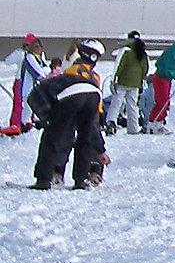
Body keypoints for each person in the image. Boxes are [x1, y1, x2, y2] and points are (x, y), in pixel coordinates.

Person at [30, 40, 106, 191]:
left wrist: (48, 119)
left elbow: (34, 97)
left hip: (71, 95)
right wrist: (101, 149)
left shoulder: (57, 79)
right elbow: (93, 127)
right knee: (85, 137)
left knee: (51, 138)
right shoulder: (93, 76)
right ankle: (81, 180)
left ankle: (43, 180)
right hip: (93, 95)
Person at [106, 32, 150, 135]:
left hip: (122, 82)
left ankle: (111, 123)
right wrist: (142, 81)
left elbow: (118, 66)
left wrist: (113, 81)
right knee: (132, 105)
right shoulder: (143, 53)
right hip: (135, 84)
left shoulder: (125, 51)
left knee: (116, 104)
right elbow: (145, 69)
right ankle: (133, 128)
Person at [8, 34, 49, 135]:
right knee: (19, 104)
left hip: (32, 85)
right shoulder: (23, 55)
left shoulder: (38, 57)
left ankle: (28, 123)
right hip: (21, 81)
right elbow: (8, 61)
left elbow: (44, 69)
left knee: (30, 105)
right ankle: (16, 124)